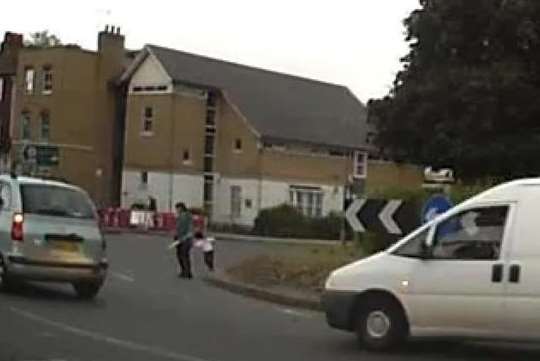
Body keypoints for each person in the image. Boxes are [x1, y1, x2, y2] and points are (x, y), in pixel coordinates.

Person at [175, 202, 193, 279]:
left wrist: (184, 237)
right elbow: (179, 228)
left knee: (183, 256)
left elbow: (188, 228)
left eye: (177, 208)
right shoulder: (181, 216)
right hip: (180, 239)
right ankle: (185, 271)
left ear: (181, 208)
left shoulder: (185, 216)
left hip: (185, 239)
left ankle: (186, 272)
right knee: (181, 255)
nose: (176, 210)